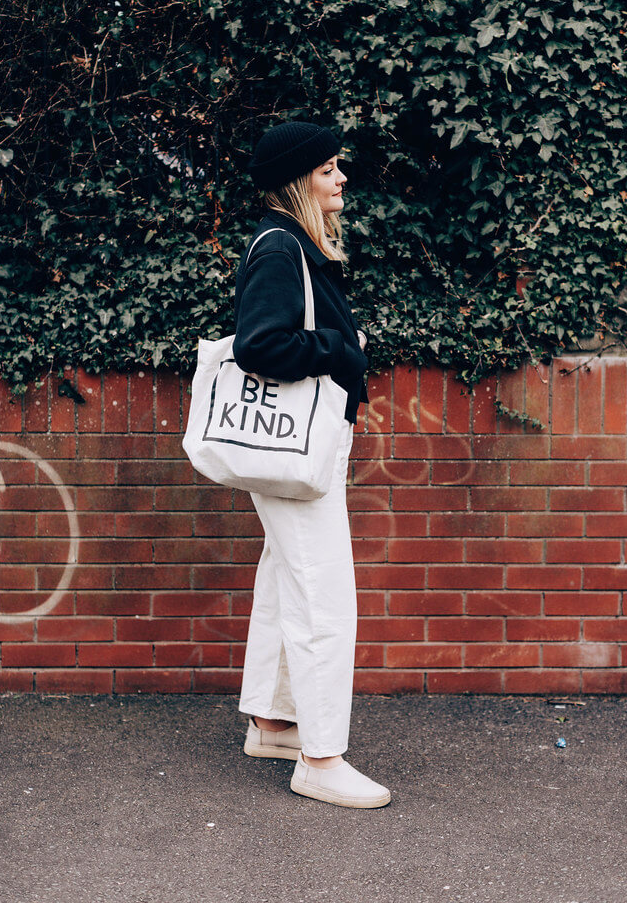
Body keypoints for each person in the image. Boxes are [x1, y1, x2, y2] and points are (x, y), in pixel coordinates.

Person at [232, 120, 391, 809]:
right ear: (300, 179)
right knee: (324, 597)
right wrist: (339, 348)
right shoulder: (278, 248)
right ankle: (320, 759)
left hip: (296, 453)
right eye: (329, 169)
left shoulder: (290, 243)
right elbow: (259, 345)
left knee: (283, 580)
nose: (342, 178)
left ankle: (272, 722)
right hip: (294, 454)